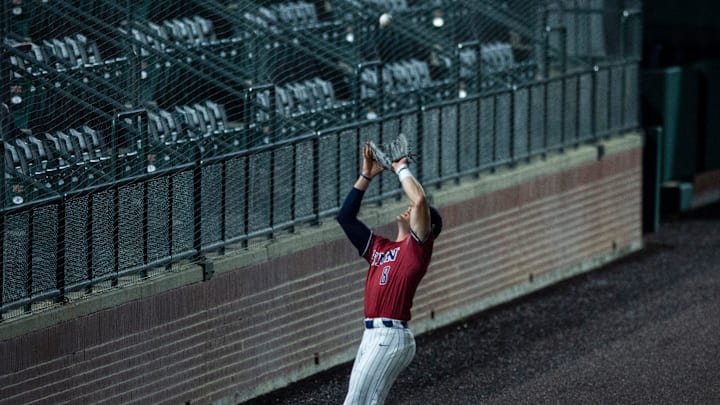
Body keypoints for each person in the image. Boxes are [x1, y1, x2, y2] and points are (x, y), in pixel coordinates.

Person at [336, 141, 442, 405]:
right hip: (372, 335)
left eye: (420, 216)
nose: (409, 209)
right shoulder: (380, 248)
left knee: (354, 402)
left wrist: (401, 167)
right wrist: (366, 176)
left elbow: (418, 200)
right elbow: (345, 218)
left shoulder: (417, 249)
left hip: (390, 335)